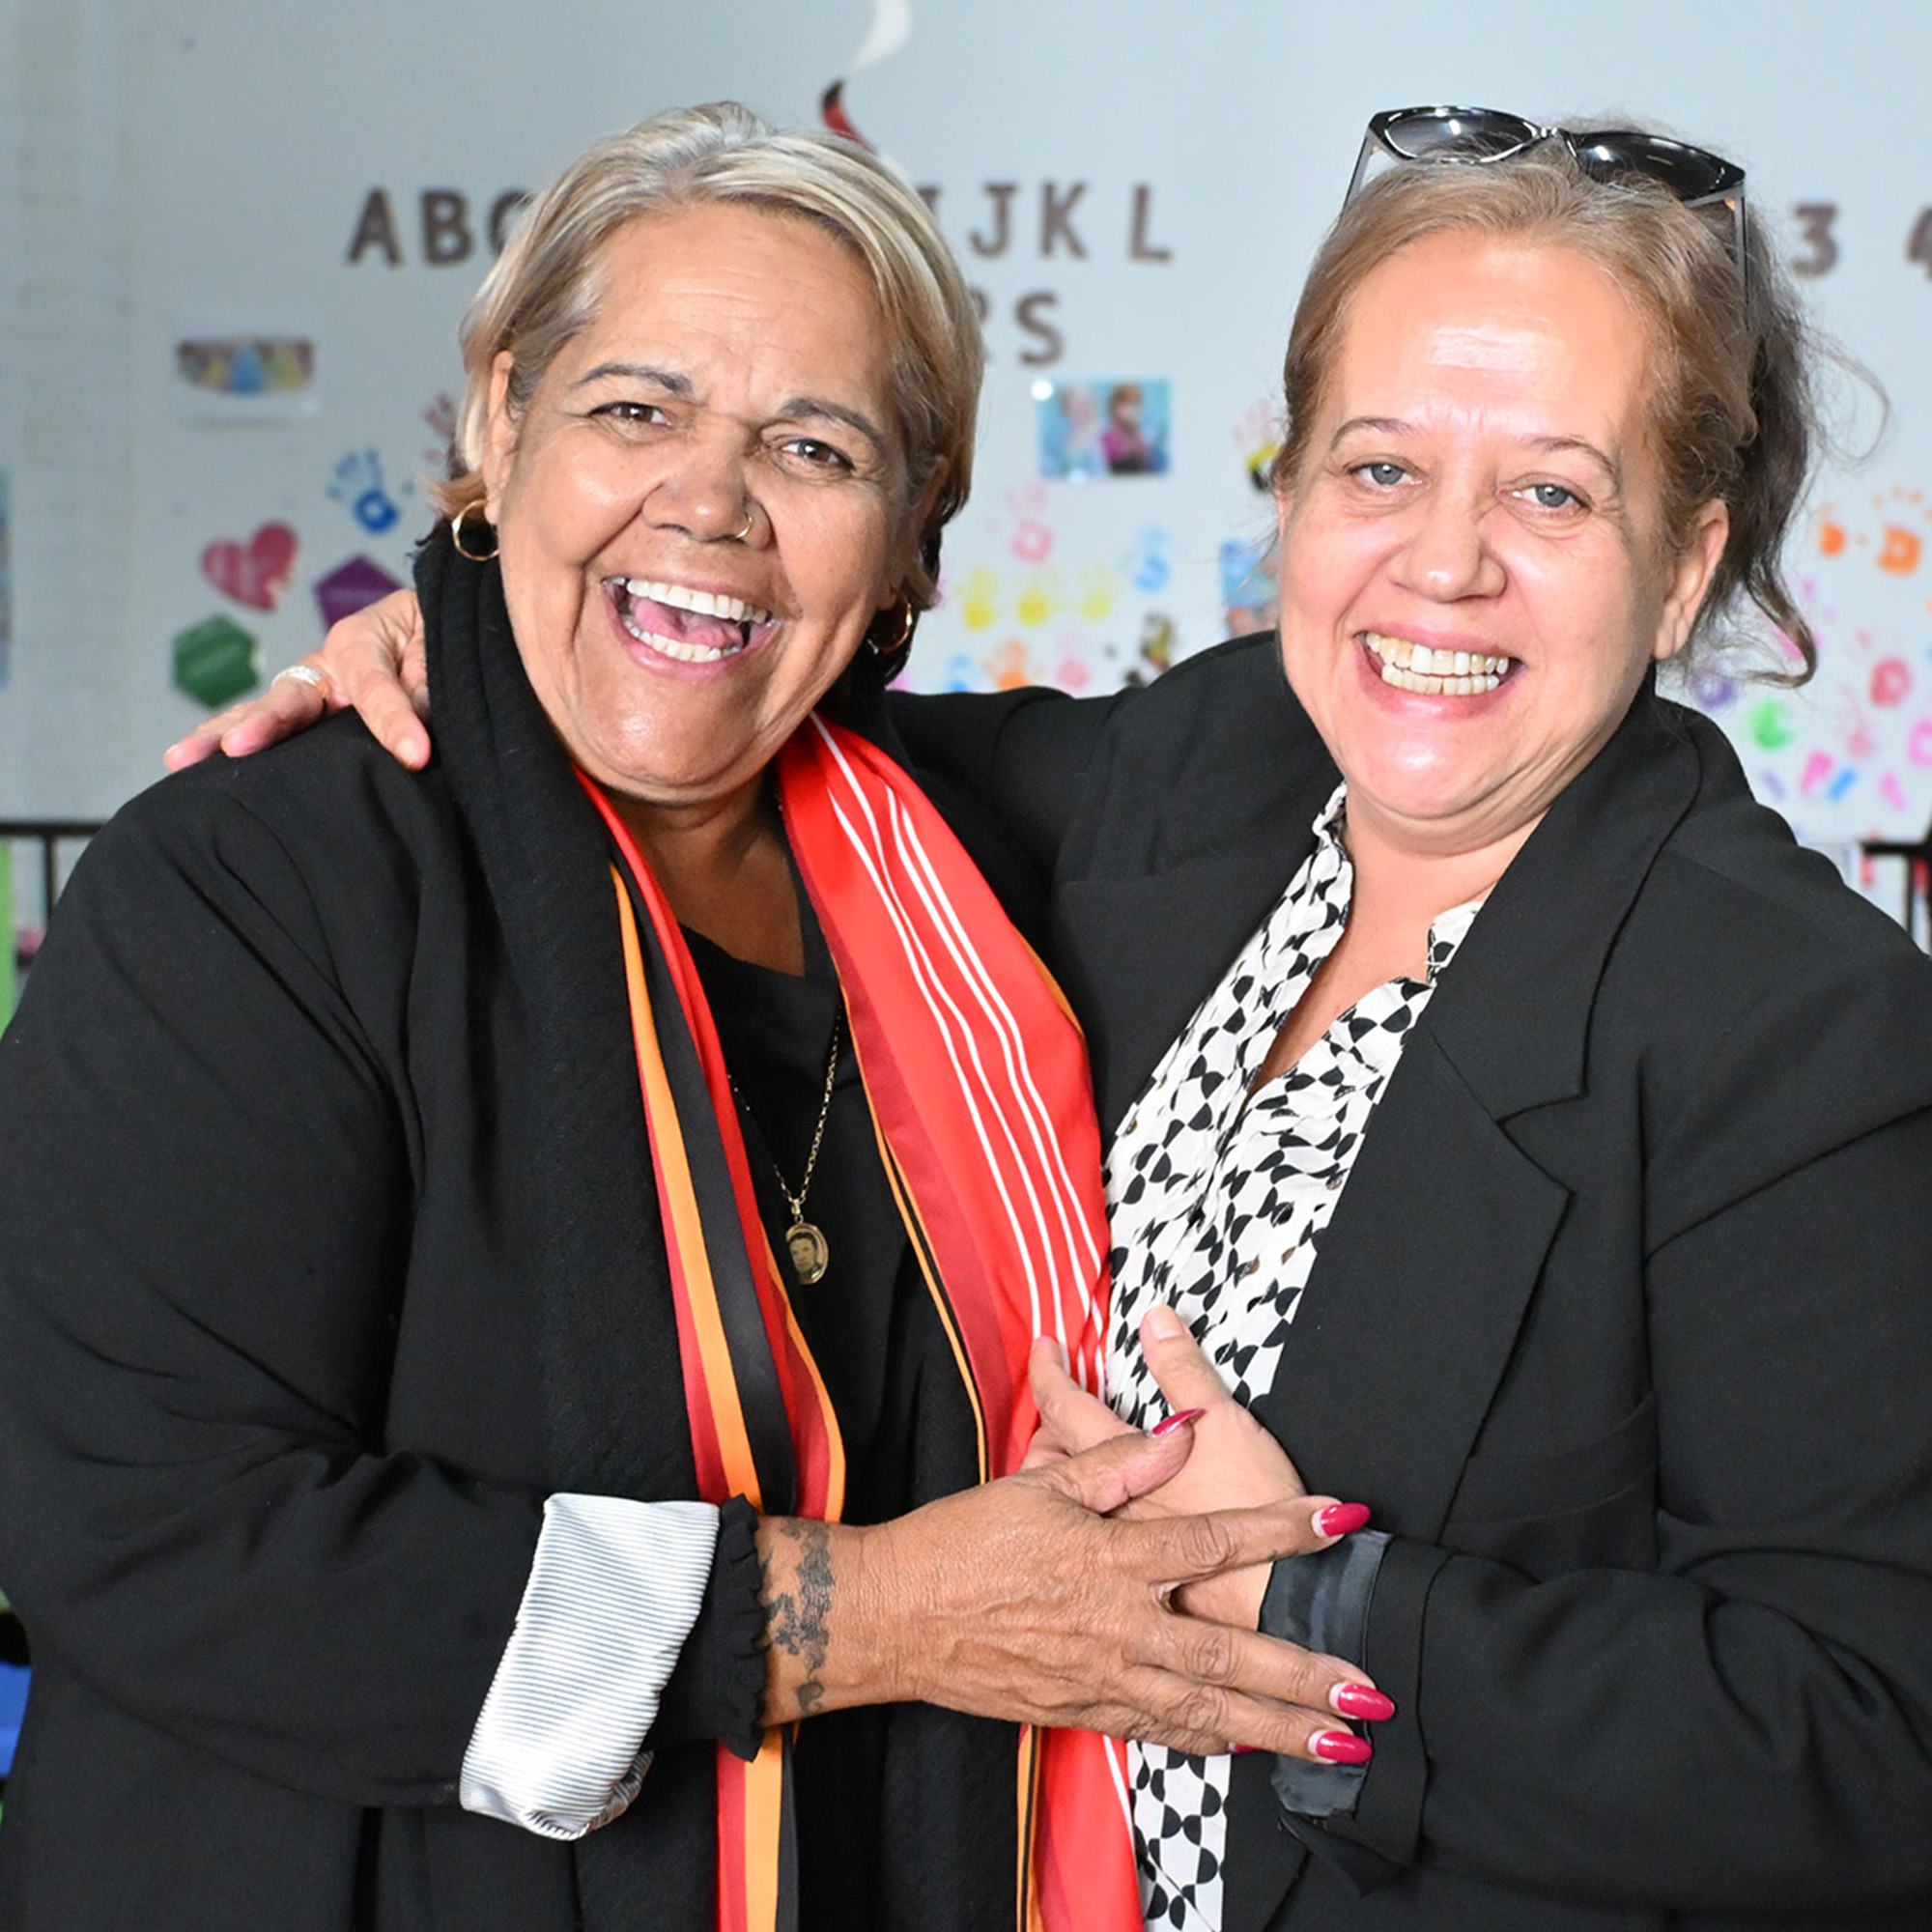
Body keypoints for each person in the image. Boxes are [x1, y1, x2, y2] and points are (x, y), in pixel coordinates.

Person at [223, 104, 1932, 1930]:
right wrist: (467, 644)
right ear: (1292, 492)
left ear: (1685, 565)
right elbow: (729, 694)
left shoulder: (1802, 1029)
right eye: (1378, 468)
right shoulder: (1202, 775)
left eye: (1554, 493)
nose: (1445, 564)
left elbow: (1880, 1745)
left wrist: (1310, 1612)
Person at [0, 104, 1382, 1932]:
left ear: (911, 541)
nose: (712, 502)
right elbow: (158, 1543)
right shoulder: (255, 886)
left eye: (814, 448)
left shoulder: (982, 849)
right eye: (635, 411)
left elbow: (1440, 675)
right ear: (501, 427)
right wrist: (887, 1617)